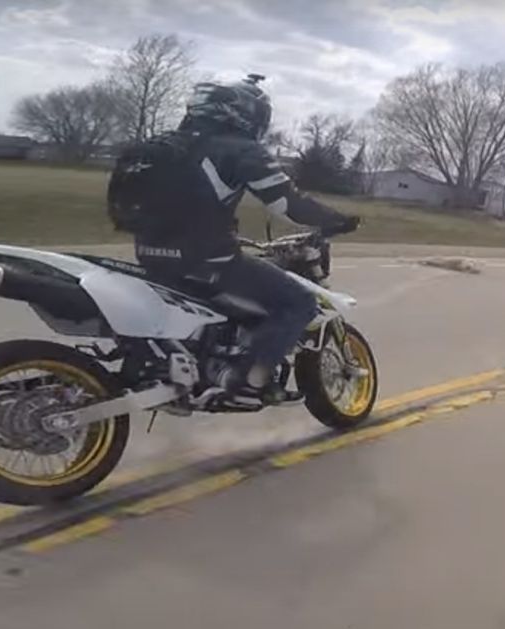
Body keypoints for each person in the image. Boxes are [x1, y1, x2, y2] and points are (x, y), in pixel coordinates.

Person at [117, 76, 358, 403]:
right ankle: (249, 382)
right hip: (208, 261)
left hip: (151, 256)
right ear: (244, 113)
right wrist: (338, 220)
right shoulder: (240, 149)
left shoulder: (162, 146)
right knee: (299, 302)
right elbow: (287, 203)